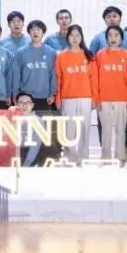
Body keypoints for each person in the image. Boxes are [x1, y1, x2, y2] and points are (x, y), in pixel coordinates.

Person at [54, 24, 95, 164]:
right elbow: (58, 79)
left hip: (86, 97)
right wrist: (58, 98)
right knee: (69, 128)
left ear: (82, 37)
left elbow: (94, 79)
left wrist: (94, 98)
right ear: (67, 37)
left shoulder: (88, 55)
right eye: (72, 35)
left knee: (85, 127)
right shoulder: (61, 56)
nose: (75, 38)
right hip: (68, 97)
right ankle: (71, 156)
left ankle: (83, 157)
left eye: (78, 35)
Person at [94, 24, 127, 162]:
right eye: (110, 35)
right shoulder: (100, 55)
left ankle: (120, 155)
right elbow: (96, 78)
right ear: (106, 38)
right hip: (104, 98)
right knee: (105, 129)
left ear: (121, 38)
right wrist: (96, 98)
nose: (113, 38)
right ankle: (105, 156)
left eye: (116, 35)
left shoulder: (126, 55)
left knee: (120, 129)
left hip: (122, 98)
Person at [5, 20, 57, 109]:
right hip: (25, 97)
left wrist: (52, 94)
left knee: (42, 118)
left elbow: (53, 75)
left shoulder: (51, 52)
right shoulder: (20, 52)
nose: (35, 32)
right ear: (29, 33)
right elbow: (16, 75)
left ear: (43, 33)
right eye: (32, 30)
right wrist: (15, 94)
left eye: (38, 30)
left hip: (45, 96)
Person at [12, 92, 60, 167]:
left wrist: (26, 164)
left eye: (28, 102)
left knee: (48, 146)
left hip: (33, 153)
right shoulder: (12, 117)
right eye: (21, 102)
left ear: (32, 105)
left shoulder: (37, 120)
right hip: (18, 151)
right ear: (16, 105)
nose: (25, 105)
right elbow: (0, 136)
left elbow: (35, 145)